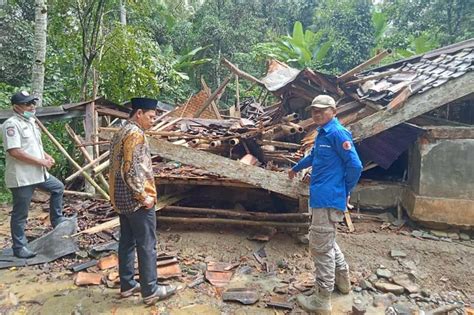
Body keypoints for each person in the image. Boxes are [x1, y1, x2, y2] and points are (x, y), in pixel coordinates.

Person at [288, 95, 363, 314]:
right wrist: (295, 168)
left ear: (334, 111)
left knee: (320, 248)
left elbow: (355, 166)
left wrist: (345, 190)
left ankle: (322, 301)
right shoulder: (323, 133)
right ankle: (343, 282)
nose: (317, 114)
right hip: (322, 196)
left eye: (322, 110)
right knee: (327, 242)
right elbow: (314, 157)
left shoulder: (338, 133)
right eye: (313, 111)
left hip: (329, 198)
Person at [108, 97, 176, 305]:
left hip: (120, 198)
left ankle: (127, 285)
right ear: (139, 114)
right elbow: (130, 170)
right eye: (151, 117)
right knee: (147, 244)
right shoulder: (135, 135)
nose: (153, 121)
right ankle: (150, 290)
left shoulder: (122, 130)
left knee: (127, 242)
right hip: (136, 199)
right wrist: (143, 195)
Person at [1, 91, 66, 259]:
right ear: (16, 107)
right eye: (27, 104)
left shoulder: (30, 121)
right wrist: (40, 161)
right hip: (22, 177)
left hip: (38, 173)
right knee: (21, 213)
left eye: (33, 103)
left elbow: (34, 145)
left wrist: (45, 156)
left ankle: (57, 220)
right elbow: (15, 151)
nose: (32, 107)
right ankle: (19, 247)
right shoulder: (11, 125)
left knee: (58, 188)